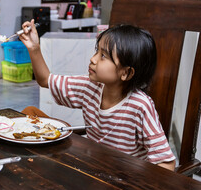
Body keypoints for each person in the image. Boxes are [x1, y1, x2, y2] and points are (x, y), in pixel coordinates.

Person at [19, 20, 176, 171]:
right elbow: (46, 80)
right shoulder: (90, 86)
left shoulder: (140, 106)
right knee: (29, 111)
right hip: (93, 166)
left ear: (126, 72)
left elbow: (166, 162)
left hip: (125, 177)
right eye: (97, 51)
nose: (92, 59)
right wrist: (34, 48)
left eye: (103, 56)